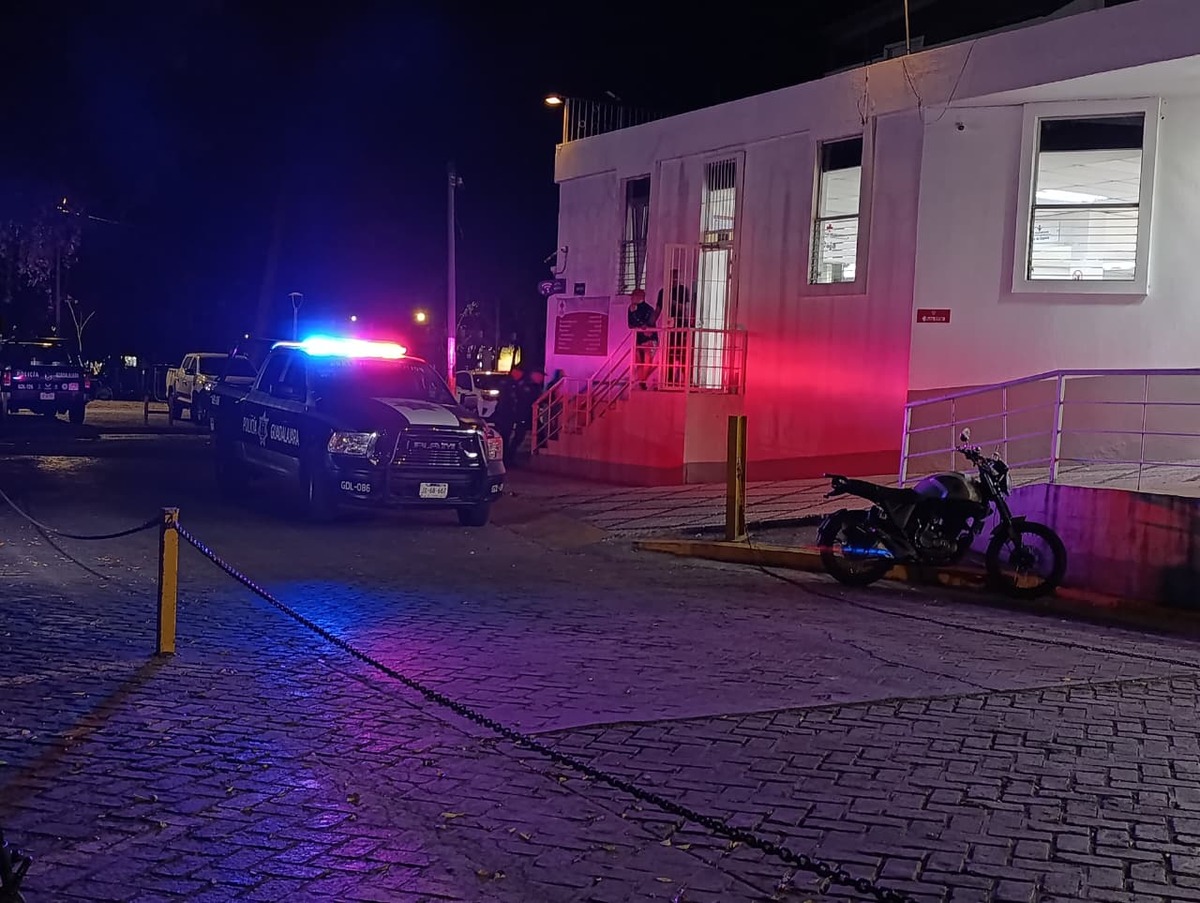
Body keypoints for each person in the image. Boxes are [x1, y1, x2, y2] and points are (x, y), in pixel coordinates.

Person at [658, 269, 693, 388]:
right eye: (672, 277)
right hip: (668, 328)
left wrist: (672, 303)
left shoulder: (683, 290)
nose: (674, 280)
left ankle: (687, 379)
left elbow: (685, 309)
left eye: (676, 277)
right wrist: (650, 324)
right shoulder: (663, 292)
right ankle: (669, 379)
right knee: (669, 353)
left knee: (683, 352)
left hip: (681, 326)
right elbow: (658, 310)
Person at [627, 288, 662, 389]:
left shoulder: (648, 309)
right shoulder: (631, 308)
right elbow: (630, 324)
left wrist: (638, 321)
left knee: (647, 361)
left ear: (639, 297)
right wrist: (634, 315)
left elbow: (648, 324)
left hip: (649, 339)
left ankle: (643, 381)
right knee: (639, 361)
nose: (631, 299)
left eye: (633, 296)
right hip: (639, 339)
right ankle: (641, 381)